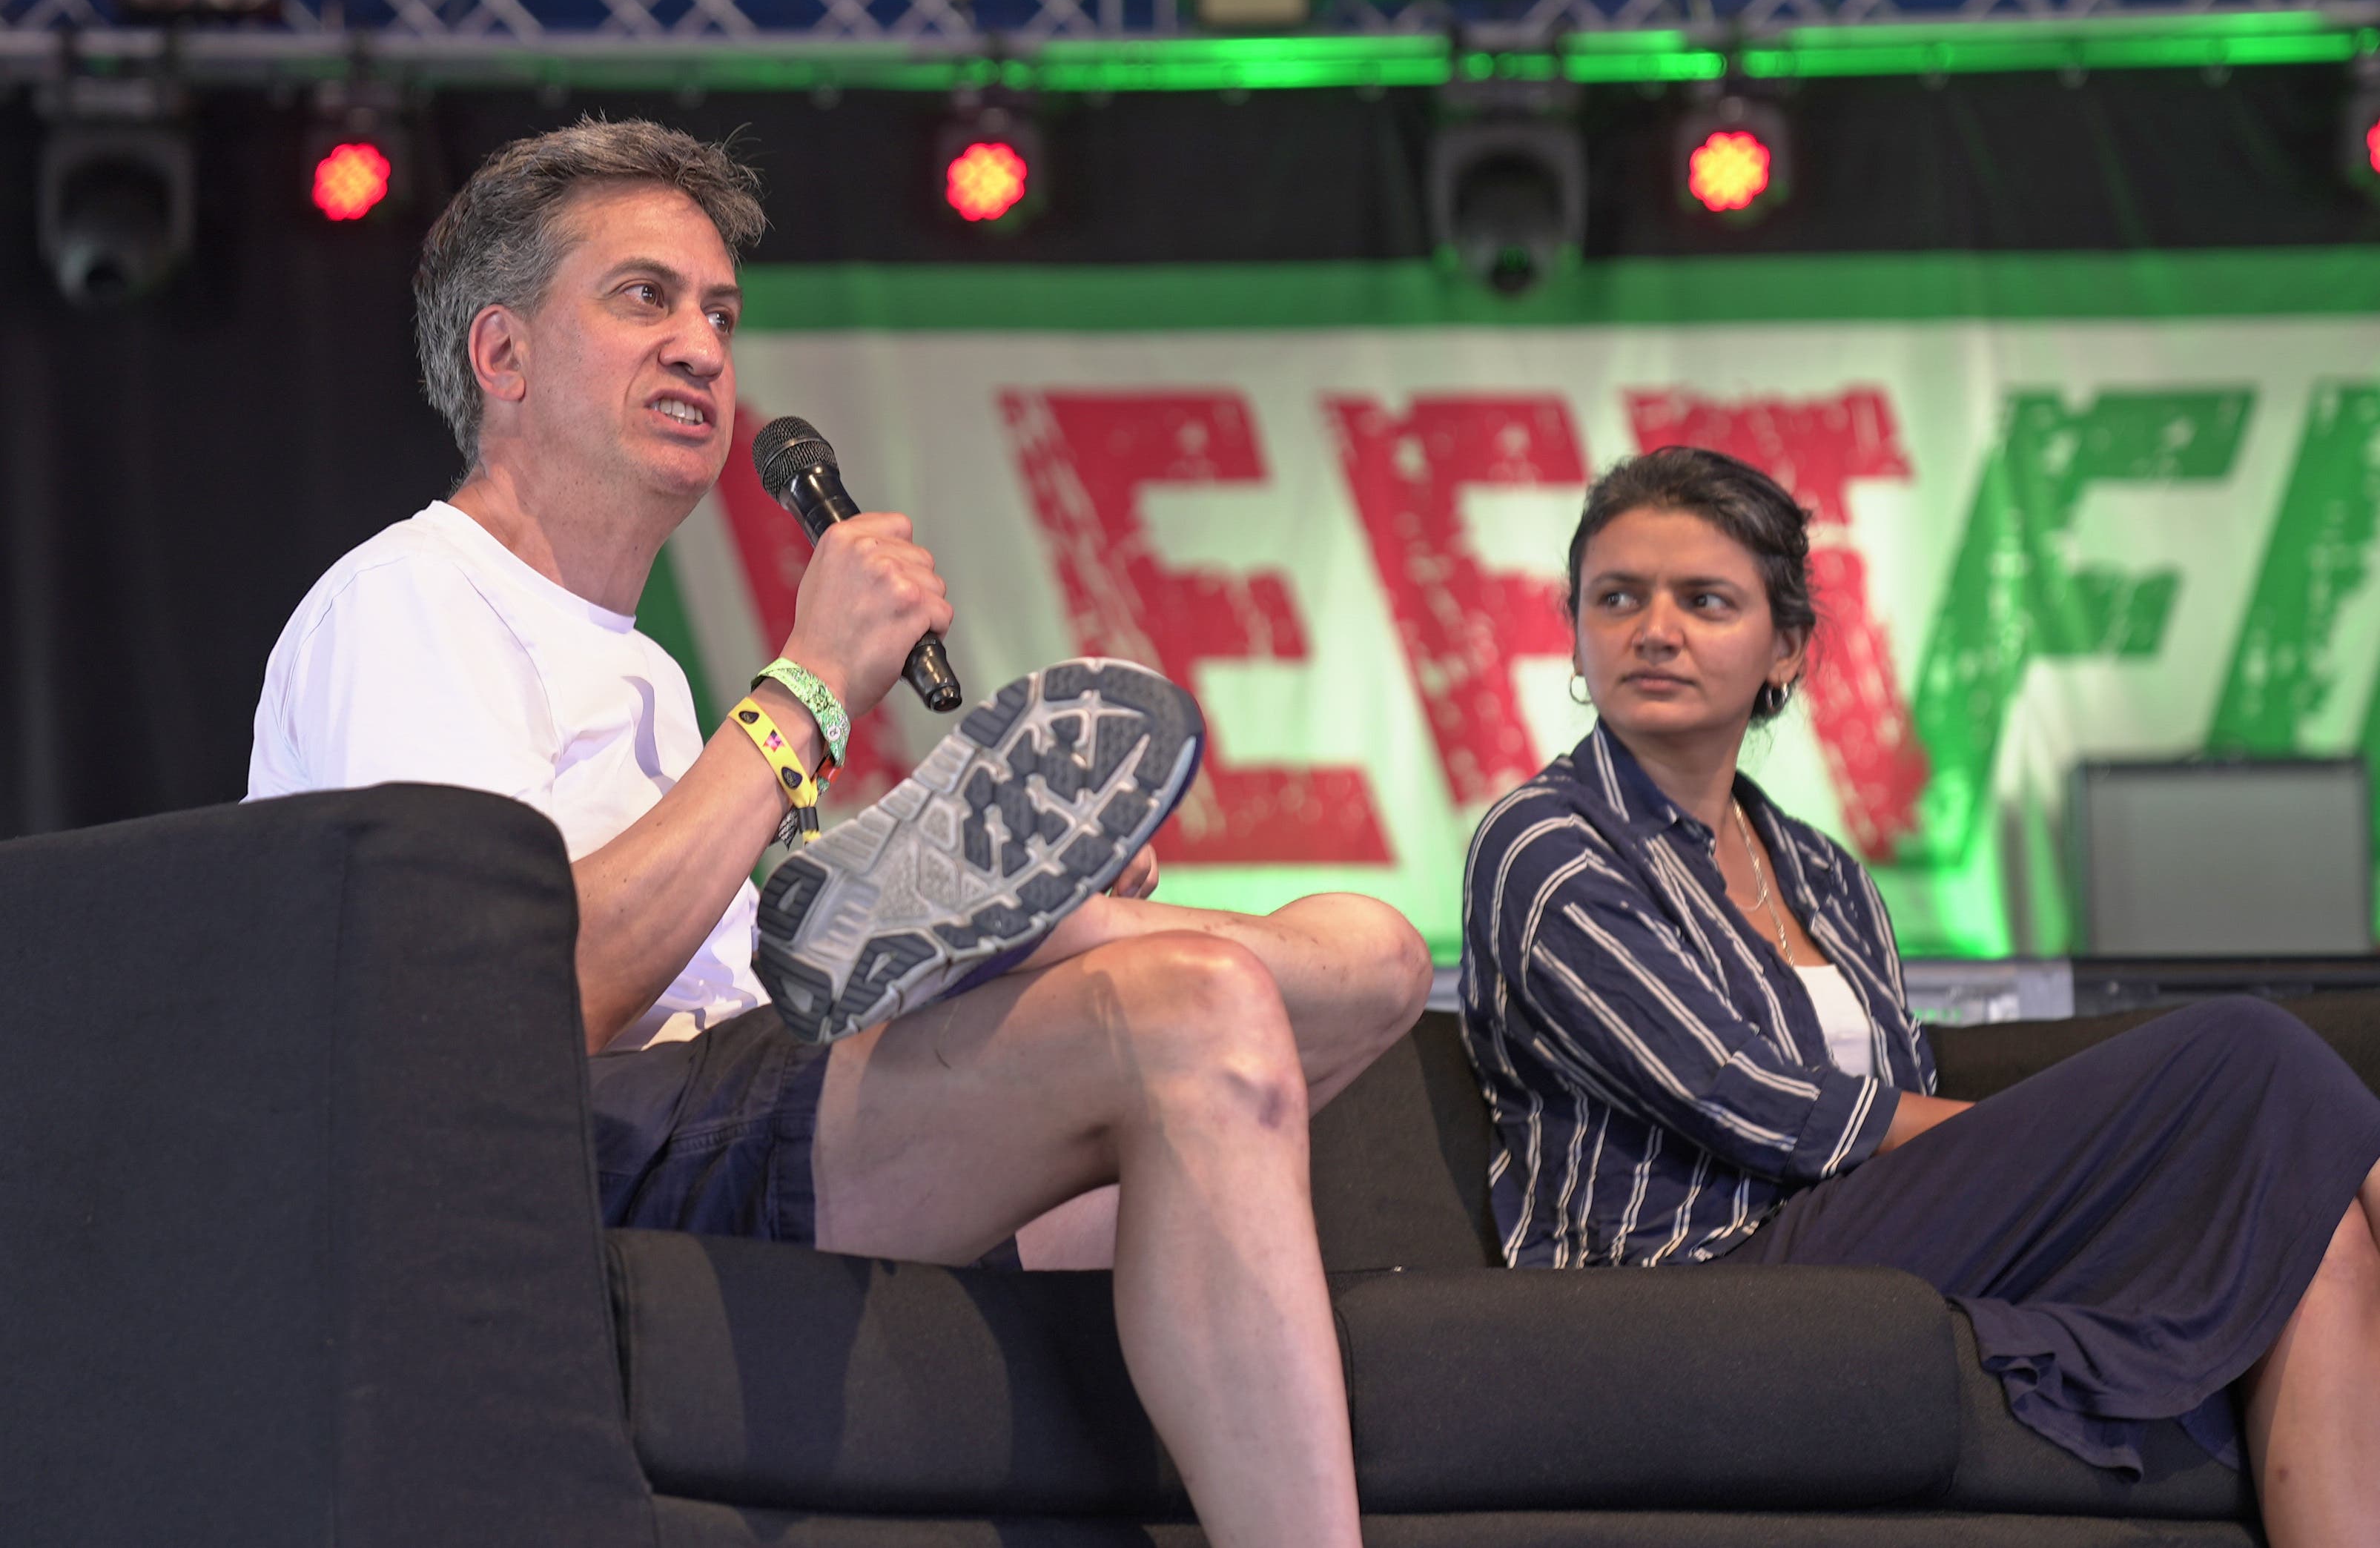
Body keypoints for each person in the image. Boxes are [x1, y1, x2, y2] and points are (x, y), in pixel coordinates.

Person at [248, 116, 1432, 1548]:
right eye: (644, 299)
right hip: (581, 1150)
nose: (699, 346)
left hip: (745, 1095)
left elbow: (706, 977)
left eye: (719, 315)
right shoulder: (408, 602)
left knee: (1358, 957)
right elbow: (502, 1010)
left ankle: (946, 915)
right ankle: (915, 918)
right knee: (1183, 1018)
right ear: (501, 358)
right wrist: (804, 692)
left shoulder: (637, 672)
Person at [1460, 444, 2380, 1547]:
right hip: (1687, 1279)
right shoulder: (1544, 841)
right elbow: (1742, 1097)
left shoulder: (1822, 872)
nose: (1653, 629)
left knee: (2309, 1211)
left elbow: (1902, 1084)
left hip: (1857, 1243)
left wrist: (2044, 1157)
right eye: (1616, 598)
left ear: (1783, 649)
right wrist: (2047, 1145)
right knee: (2247, 1050)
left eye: (1703, 600)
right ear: (1575, 631)